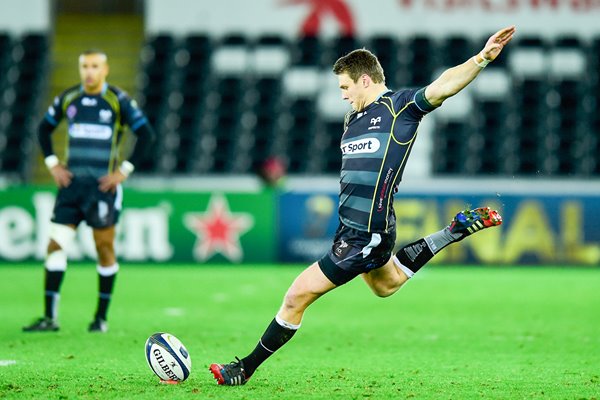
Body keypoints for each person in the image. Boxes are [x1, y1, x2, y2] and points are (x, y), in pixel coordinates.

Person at [209, 25, 515, 385]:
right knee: (385, 286)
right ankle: (454, 230)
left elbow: (443, 86)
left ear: (365, 80)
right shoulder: (352, 120)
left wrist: (480, 59)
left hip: (365, 234)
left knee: (296, 296)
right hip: (355, 231)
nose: (342, 95)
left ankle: (244, 368)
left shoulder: (399, 107)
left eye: (344, 87)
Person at [22, 49, 155, 333]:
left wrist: (124, 171)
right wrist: (52, 163)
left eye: (95, 66)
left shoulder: (117, 101)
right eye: (84, 66)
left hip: (102, 189)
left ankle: (100, 319)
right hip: (71, 187)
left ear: (105, 70)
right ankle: (49, 318)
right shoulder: (69, 98)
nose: (89, 71)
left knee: (104, 248)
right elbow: (43, 129)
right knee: (55, 245)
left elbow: (146, 135)